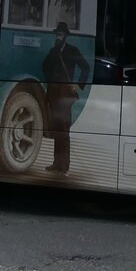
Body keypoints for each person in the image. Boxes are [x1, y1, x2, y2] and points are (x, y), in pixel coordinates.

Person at [42, 21, 90, 174]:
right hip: (54, 94)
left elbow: (85, 67)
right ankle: (56, 162)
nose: (58, 37)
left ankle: (64, 165)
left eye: (61, 34)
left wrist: (77, 85)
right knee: (57, 129)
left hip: (65, 94)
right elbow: (45, 67)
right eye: (57, 34)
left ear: (65, 36)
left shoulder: (72, 50)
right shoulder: (53, 51)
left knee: (64, 129)